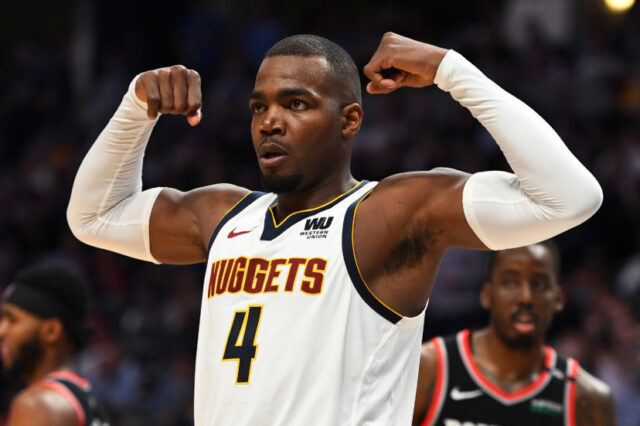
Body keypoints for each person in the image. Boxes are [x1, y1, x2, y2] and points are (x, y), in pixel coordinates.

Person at [66, 32, 603, 425]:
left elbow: (570, 197)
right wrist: (136, 108)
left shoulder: (389, 214)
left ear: (349, 120)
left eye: (295, 103)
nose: (269, 121)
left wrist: (450, 70)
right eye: (260, 106)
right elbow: (92, 217)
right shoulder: (223, 215)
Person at [413, 241, 616, 426]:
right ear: (486, 295)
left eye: (538, 284)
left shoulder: (588, 399)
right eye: (511, 282)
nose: (525, 297)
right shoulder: (429, 368)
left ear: (558, 298)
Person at [0, 264, 109, 426]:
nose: (2, 331)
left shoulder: (39, 404)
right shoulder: (86, 397)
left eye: (12, 320)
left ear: (51, 331)